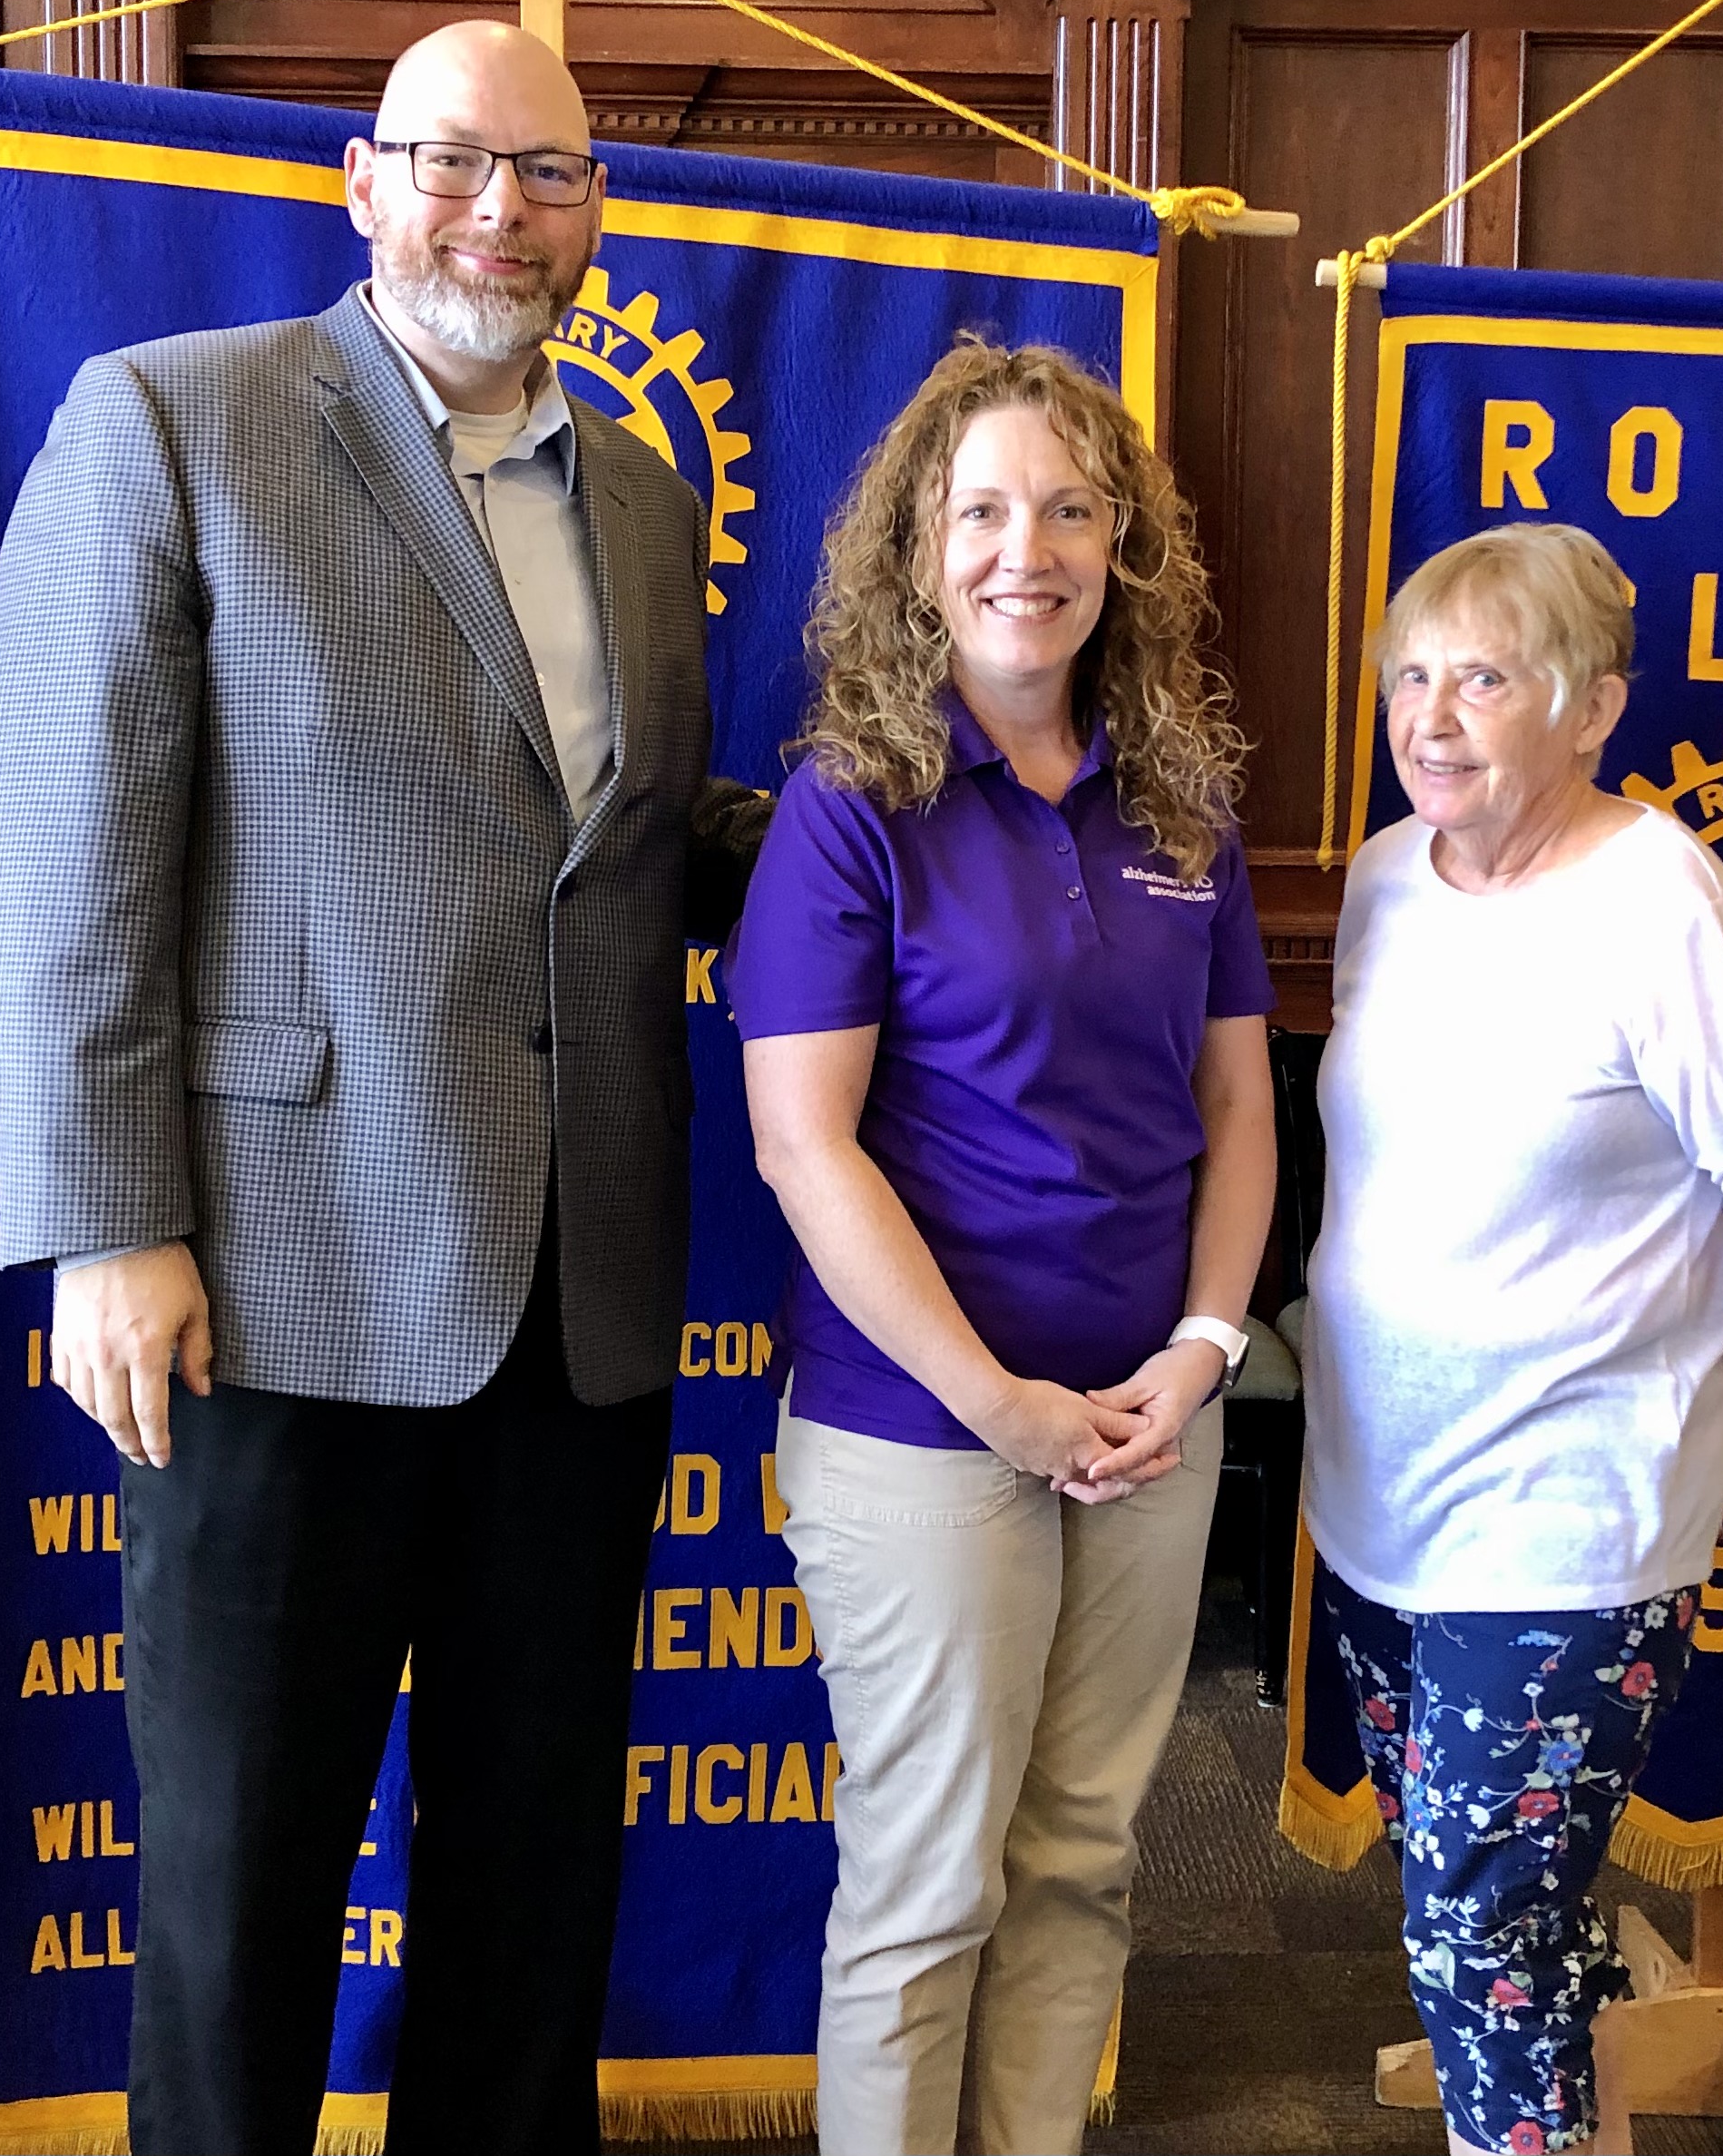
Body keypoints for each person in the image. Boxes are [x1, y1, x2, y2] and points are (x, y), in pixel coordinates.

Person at [0, 21, 766, 2156]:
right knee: (241, 1896)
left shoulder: (640, 495)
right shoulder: (174, 420)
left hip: (579, 1307)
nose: (503, 212)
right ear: (362, 180)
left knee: (533, 1883)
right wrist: (107, 1227)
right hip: (270, 1296)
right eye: (454, 161)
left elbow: (631, 847)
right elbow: (61, 855)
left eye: (552, 174)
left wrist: (902, 839)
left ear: (598, 212)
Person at [729, 339, 1278, 2156]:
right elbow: (803, 1147)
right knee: (928, 1887)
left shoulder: (1184, 799)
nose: (1022, 549)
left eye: (1066, 508)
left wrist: (1200, 1353)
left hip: (1149, 1421)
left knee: (1081, 1864)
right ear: (920, 549)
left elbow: (1241, 1109)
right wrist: (999, 1402)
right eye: (979, 511)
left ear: (1123, 544)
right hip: (920, 1427)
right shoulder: (849, 806)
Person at [1298, 522, 1723, 2156]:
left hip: (1565, 1527)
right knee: (1504, 1925)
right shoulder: (1389, 875)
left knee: (1477, 1940)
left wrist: (1721, 1412)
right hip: (1382, 1508)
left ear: (1593, 707)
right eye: (1413, 678)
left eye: (1484, 680)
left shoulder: (1658, 904)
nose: (1431, 718)